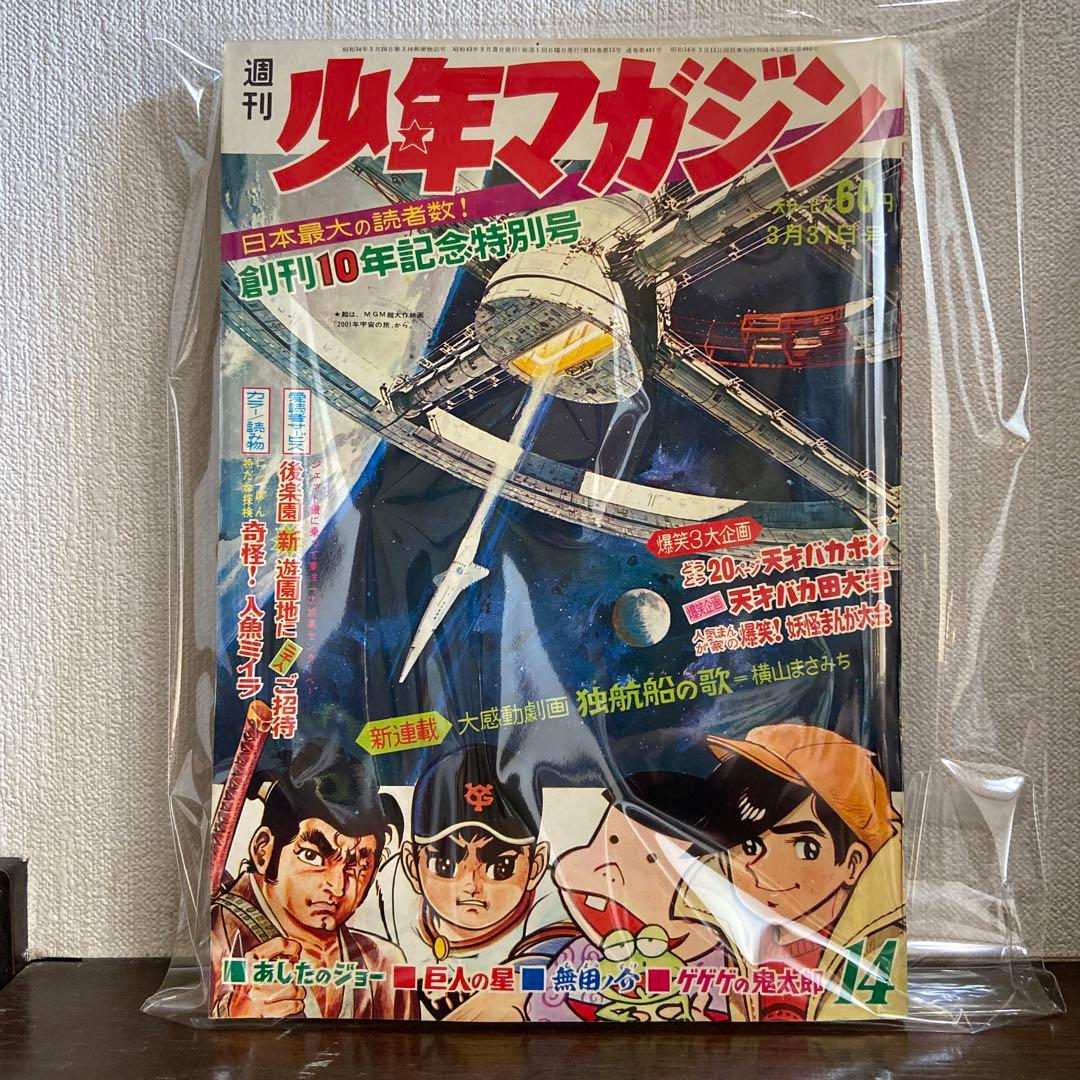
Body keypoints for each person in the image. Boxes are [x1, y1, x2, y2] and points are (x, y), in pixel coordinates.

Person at [448, 771, 735, 1022]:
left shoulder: (728, 970)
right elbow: (542, 983)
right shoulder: (578, 954)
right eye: (611, 841)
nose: (608, 872)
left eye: (652, 860)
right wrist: (511, 985)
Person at [676, 723, 905, 1021]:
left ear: (852, 863)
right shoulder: (713, 935)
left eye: (805, 848)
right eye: (751, 845)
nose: (760, 868)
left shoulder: (877, 948)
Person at [209, 741, 417, 1020]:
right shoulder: (215, 939)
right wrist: (233, 1013)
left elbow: (407, 1042)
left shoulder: (385, 963)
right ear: (263, 850)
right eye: (313, 856)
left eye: (358, 865)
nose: (337, 887)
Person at [379, 742, 559, 1018]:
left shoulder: (553, 897)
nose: (471, 885)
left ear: (535, 866)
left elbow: (556, 957)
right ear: (412, 866)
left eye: (500, 867)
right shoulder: (389, 886)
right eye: (445, 864)